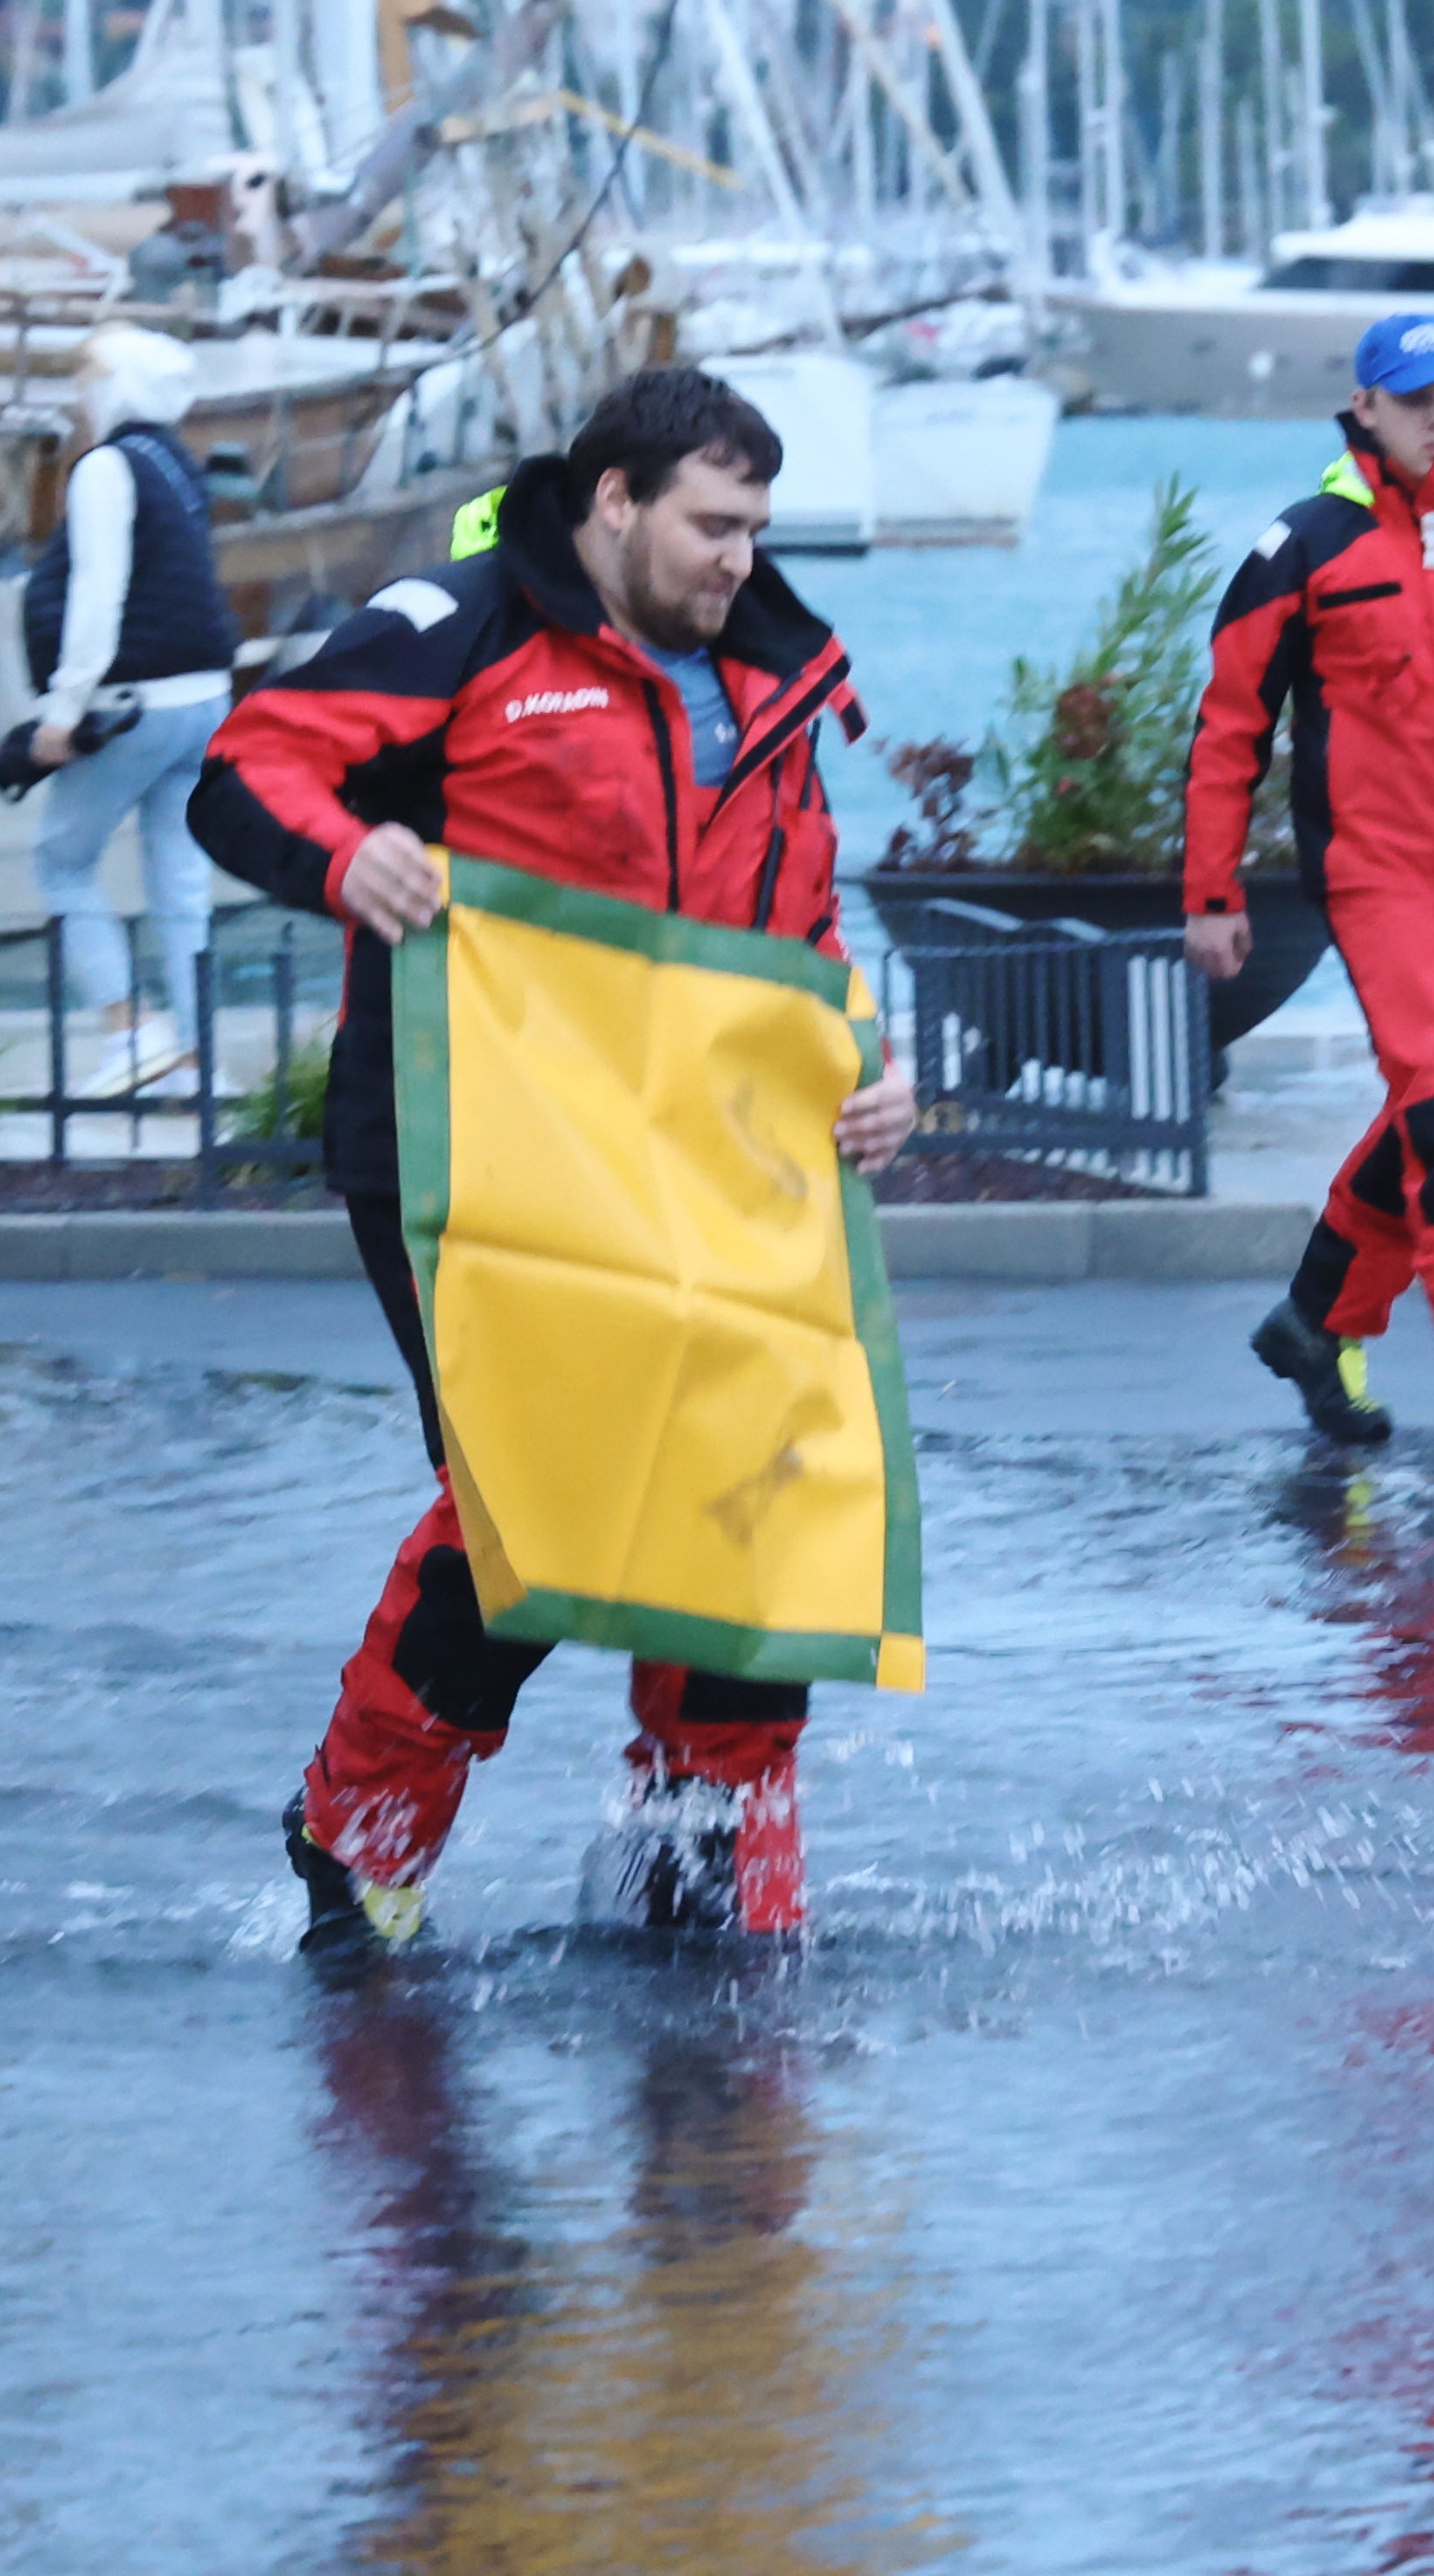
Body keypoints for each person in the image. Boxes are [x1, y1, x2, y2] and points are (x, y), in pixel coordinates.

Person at [192, 368, 913, 1952]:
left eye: (756, 528)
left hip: (703, 1162)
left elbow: (796, 926)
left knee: (749, 1498)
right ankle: (359, 1835)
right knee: (527, 1513)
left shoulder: (774, 675)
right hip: (469, 1147)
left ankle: (703, 1861)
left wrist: (861, 1067)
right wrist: (343, 852)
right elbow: (241, 775)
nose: (740, 559)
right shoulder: (457, 626)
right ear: (612, 501)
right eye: (712, 526)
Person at [1183, 311, 1434, 1474]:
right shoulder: (1298, 546)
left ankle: (1317, 1320)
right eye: (1413, 397)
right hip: (1378, 876)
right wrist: (1212, 890)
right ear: (1365, 412)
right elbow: (1229, 727)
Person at [22, 324, 238, 1096]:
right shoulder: (177, 467)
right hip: (206, 697)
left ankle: (128, 1030)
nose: (78, 394)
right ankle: (195, 1061)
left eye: (86, 378)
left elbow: (97, 597)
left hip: (131, 704)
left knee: (60, 863)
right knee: (179, 882)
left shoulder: (106, 468)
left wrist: (61, 709)